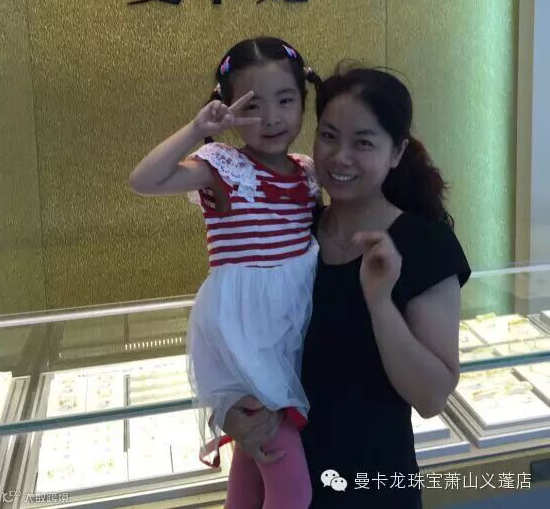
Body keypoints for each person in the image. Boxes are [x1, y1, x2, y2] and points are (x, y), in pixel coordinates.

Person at [224, 65, 471, 508]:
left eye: (363, 143)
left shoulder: (425, 245)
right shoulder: (295, 231)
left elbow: (431, 396)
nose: (340, 157)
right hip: (283, 478)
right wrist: (230, 414)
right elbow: (248, 342)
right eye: (328, 136)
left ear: (396, 152)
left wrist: (380, 302)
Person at [129, 37, 322, 509]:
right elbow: (144, 180)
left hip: (290, 334)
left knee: (252, 465)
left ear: (303, 101)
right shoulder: (225, 166)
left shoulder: (307, 172)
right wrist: (197, 130)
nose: (271, 118)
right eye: (252, 106)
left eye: (285, 100)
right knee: (292, 489)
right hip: (243, 340)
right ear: (229, 107)